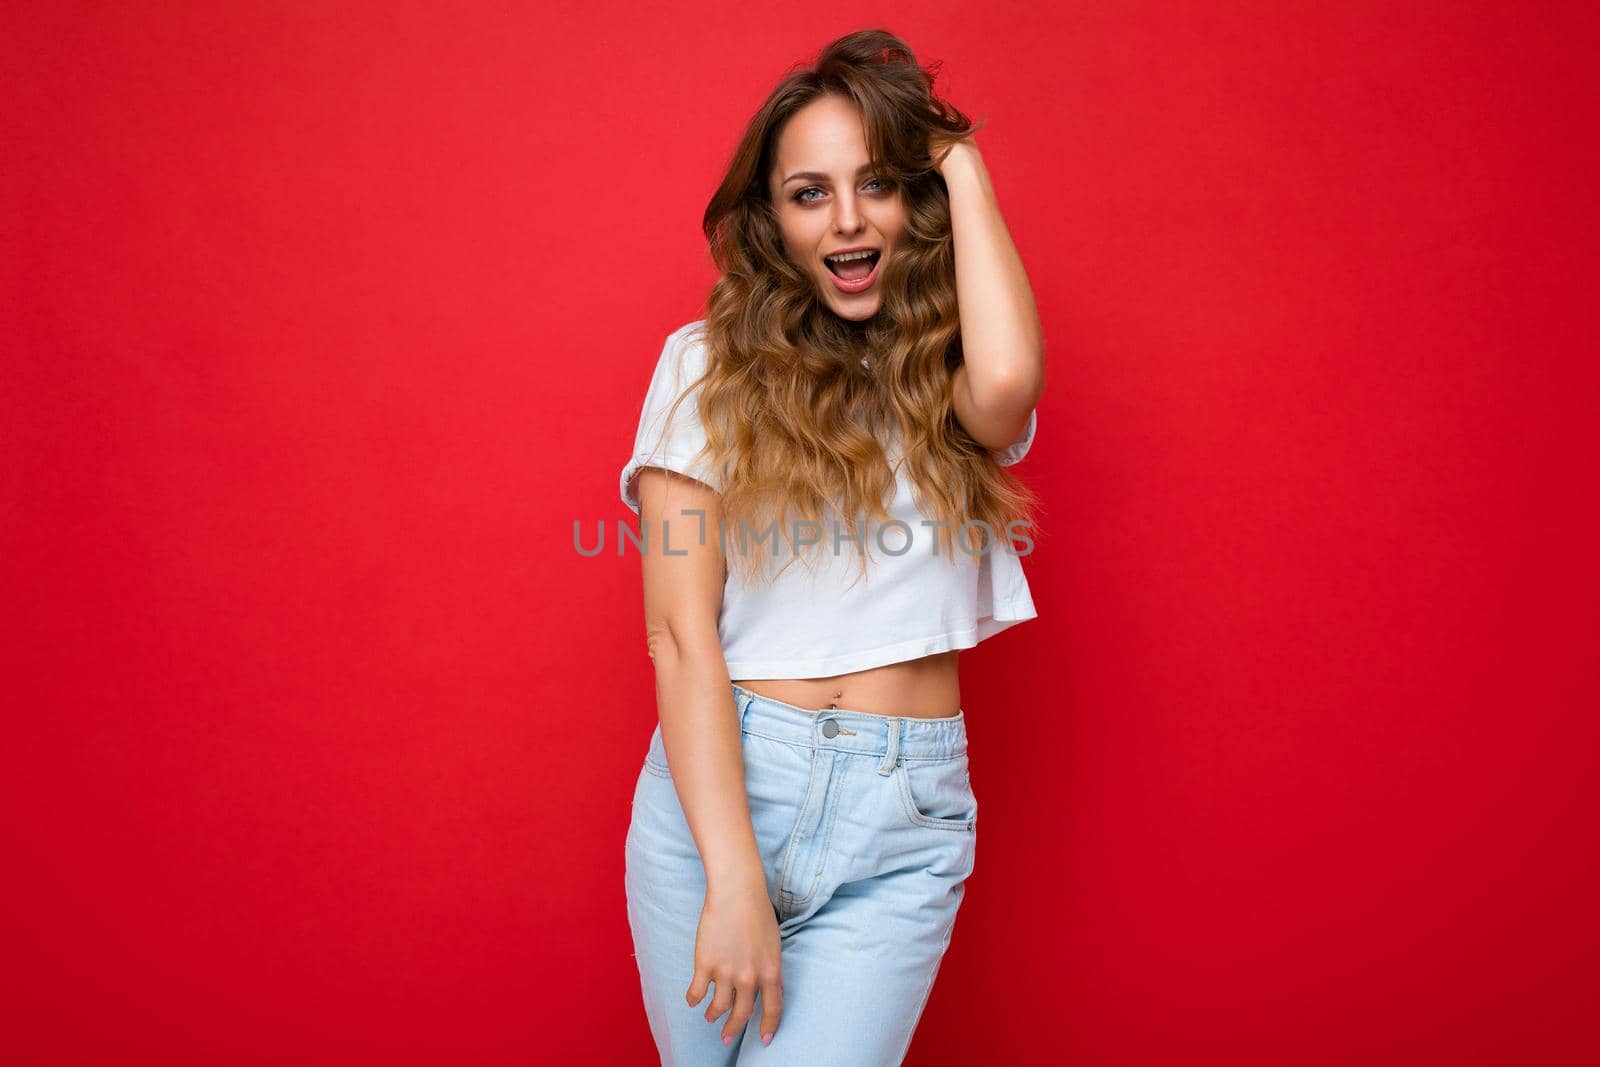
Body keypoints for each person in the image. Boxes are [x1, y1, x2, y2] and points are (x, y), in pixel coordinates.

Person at [619, 29, 1046, 1064]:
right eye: (809, 193)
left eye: (879, 185)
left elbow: (1006, 390)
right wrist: (731, 878)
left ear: (919, 205)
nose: (848, 220)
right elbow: (680, 636)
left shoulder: (944, 366)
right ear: (770, 219)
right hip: (725, 793)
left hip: (900, 823)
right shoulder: (701, 367)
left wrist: (962, 161)